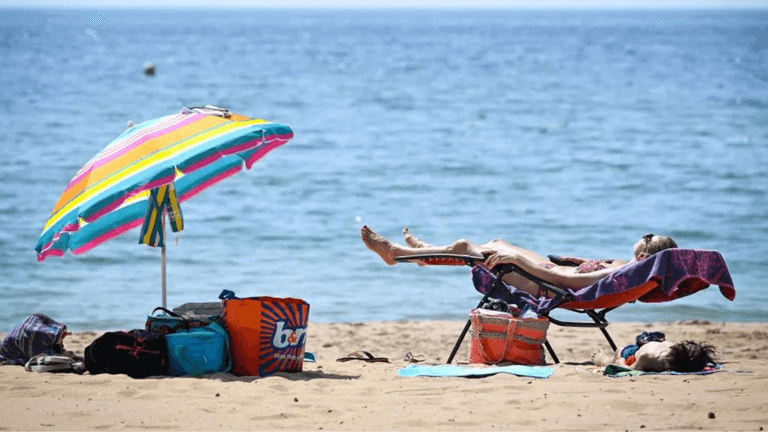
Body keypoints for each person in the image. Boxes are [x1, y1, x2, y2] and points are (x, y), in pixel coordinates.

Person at [360, 225, 678, 297]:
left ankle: (398, 254)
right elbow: (580, 273)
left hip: (549, 285)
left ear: (645, 252)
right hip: (552, 273)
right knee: (495, 243)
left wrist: (522, 264)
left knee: (473, 251)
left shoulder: (629, 269)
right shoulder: (632, 268)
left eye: (647, 236)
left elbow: (573, 283)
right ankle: (427, 256)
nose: (642, 234)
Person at [591, 331, 717, 372]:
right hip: (631, 351)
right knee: (615, 356)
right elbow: (622, 365)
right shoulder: (650, 357)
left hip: (648, 345)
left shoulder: (669, 348)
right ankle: (602, 359)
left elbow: (626, 368)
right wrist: (619, 361)